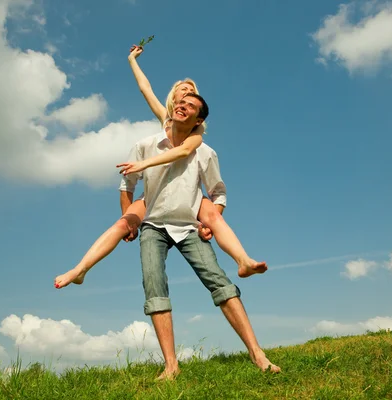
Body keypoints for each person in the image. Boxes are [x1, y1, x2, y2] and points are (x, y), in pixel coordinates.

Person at [53, 45, 266, 289]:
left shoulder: (196, 132)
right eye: (182, 91)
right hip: (156, 193)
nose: (186, 94)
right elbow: (145, 88)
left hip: (188, 194)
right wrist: (132, 59)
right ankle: (80, 270)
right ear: (174, 98)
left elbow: (185, 152)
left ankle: (243, 260)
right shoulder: (166, 119)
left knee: (213, 217)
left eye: (192, 93)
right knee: (121, 224)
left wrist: (205, 224)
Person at [122, 93, 280, 379]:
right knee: (154, 287)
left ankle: (258, 355)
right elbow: (127, 183)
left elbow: (218, 192)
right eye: (181, 103)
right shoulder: (145, 145)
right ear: (172, 109)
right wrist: (130, 221)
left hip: (189, 227)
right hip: (153, 227)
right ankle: (171, 366)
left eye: (191, 106)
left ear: (199, 120)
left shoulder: (205, 152)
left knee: (219, 281)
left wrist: (211, 218)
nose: (183, 106)